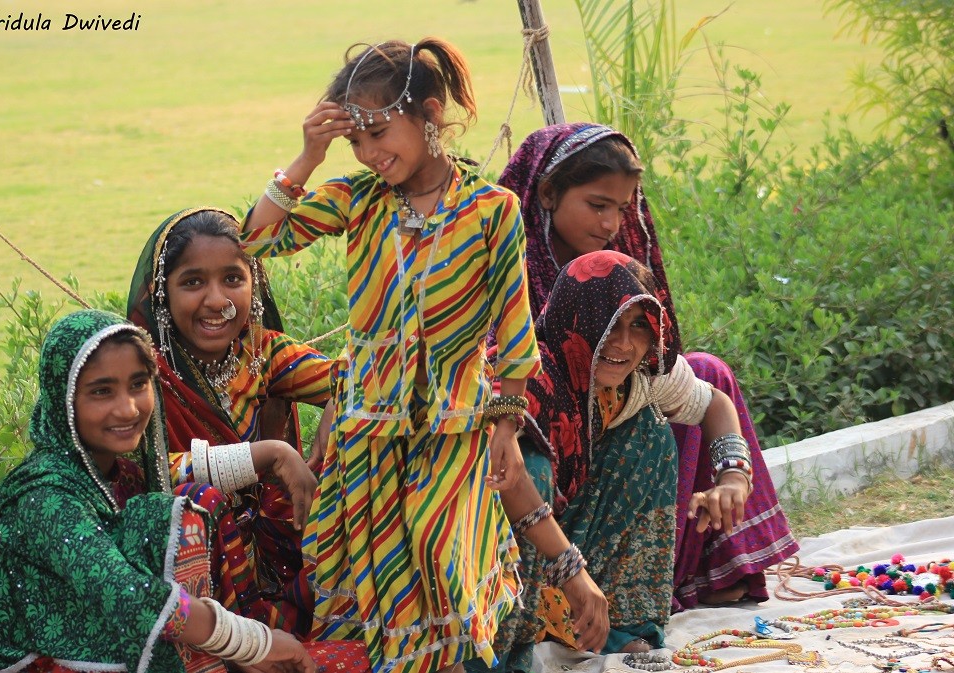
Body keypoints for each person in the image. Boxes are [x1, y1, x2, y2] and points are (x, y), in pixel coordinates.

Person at [239, 38, 541, 673]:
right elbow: (260, 237)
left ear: (430, 114)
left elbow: (514, 335)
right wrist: (310, 153)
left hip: (452, 429)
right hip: (367, 437)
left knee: (441, 557)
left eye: (379, 133)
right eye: (357, 143)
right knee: (378, 585)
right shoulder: (358, 197)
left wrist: (506, 430)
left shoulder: (492, 210)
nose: (371, 155)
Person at [498, 123, 798, 610]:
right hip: (537, 421)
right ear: (548, 194)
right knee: (618, 439)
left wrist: (732, 475)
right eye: (597, 205)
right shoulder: (508, 266)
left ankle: (691, 568)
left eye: (621, 208)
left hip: (611, 402)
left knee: (706, 374)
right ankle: (576, 588)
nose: (610, 225)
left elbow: (663, 361)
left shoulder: (620, 263)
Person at [0, 309, 315, 673]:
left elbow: (189, 471)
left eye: (138, 384)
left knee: (194, 503)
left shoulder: (119, 475)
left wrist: (277, 453)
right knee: (169, 521)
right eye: (102, 391)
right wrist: (254, 642)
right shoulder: (44, 499)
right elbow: (132, 599)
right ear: (62, 400)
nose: (128, 408)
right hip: (39, 664)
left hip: (103, 644)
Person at [525, 250, 755, 654]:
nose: (624, 344)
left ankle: (622, 622)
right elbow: (505, 477)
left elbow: (715, 404)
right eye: (608, 324)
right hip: (506, 541)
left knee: (648, 433)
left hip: (569, 542)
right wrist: (571, 571)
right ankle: (510, 636)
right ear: (575, 319)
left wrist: (733, 475)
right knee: (535, 467)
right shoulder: (532, 374)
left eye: (639, 326)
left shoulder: (644, 373)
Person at [128, 208, 334, 634]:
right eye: (193, 282)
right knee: (194, 501)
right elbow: (148, 474)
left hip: (278, 547)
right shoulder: (141, 377)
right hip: (193, 572)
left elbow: (367, 383)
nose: (217, 301)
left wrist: (341, 399)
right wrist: (269, 454)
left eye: (233, 279)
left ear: (253, 285)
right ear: (160, 292)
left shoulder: (261, 354)